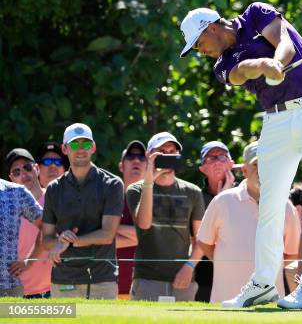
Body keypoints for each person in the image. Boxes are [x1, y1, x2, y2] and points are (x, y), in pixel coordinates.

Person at [179, 2, 302, 309]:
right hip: (276, 119)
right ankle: (264, 282)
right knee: (269, 203)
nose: (200, 51)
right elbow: (240, 73)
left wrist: (277, 61)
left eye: (199, 43)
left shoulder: (255, 13)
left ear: (211, 27)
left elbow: (286, 43)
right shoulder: (221, 65)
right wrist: (264, 66)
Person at [197, 141, 301, 303]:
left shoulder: (286, 206)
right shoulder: (222, 201)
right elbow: (204, 242)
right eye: (256, 164)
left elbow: (292, 253)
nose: (263, 170)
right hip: (225, 301)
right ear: (244, 170)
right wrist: (226, 263)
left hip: (267, 306)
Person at [42, 123, 124, 299]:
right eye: (74, 144)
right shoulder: (53, 189)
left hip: (102, 279)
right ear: (64, 149)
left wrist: (69, 242)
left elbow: (108, 234)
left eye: (86, 144)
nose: (80, 149)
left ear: (93, 147)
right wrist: (58, 242)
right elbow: (47, 240)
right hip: (63, 279)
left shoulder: (113, 184)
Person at [127, 132, 205, 301]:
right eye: (162, 151)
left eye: (172, 151)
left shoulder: (193, 192)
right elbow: (144, 224)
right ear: (149, 155)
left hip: (183, 279)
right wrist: (149, 180)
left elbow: (201, 239)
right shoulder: (136, 190)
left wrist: (189, 267)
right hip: (147, 279)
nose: (168, 155)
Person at [7, 148, 52, 298]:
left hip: (57, 289)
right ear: (11, 179)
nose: (23, 175)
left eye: (27, 167)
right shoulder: (6, 209)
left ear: (37, 168)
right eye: (16, 172)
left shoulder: (56, 198)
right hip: (18, 293)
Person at [194, 140, 235, 302]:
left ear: (231, 164)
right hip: (204, 276)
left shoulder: (247, 193)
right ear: (202, 168)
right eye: (211, 158)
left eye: (222, 157)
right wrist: (221, 199)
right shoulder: (195, 196)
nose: (217, 161)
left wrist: (227, 196)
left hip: (240, 272)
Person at [115, 140, 145, 299]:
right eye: (131, 156)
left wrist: (114, 228)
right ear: (121, 166)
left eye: (141, 157)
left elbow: (154, 239)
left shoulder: (153, 200)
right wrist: (142, 235)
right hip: (110, 286)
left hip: (145, 287)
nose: (136, 160)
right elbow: (101, 240)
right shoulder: (110, 199)